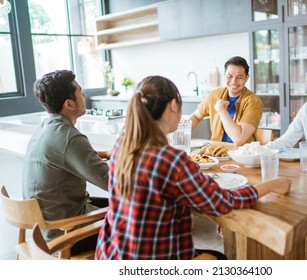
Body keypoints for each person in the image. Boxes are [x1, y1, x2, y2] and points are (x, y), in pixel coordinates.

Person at [95, 76, 291, 260]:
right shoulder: (170, 160)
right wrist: (271, 185)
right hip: (153, 257)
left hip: (111, 253)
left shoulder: (124, 144)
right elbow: (224, 202)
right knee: (221, 259)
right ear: (173, 105)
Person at [22, 70, 110, 253]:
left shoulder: (45, 128)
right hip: (64, 235)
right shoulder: (69, 138)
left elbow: (66, 155)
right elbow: (113, 182)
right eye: (80, 92)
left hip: (44, 228)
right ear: (69, 103)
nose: (84, 95)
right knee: (136, 216)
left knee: (117, 205)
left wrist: (101, 154)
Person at [190, 56, 263, 146]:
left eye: (239, 77)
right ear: (224, 74)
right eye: (230, 76)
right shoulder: (214, 95)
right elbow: (196, 116)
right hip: (216, 152)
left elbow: (238, 140)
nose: (233, 81)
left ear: (247, 78)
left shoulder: (253, 102)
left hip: (241, 154)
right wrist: (180, 133)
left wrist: (221, 110)